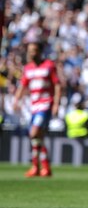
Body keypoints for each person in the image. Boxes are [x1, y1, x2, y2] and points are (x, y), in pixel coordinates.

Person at [13, 42, 61, 177]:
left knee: (34, 133)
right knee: (37, 137)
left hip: (45, 104)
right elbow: (22, 86)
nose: (31, 53)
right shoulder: (28, 68)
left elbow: (57, 85)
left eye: (34, 50)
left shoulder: (49, 66)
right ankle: (43, 167)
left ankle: (36, 166)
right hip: (33, 106)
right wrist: (17, 100)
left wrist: (56, 104)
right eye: (29, 51)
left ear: (40, 51)